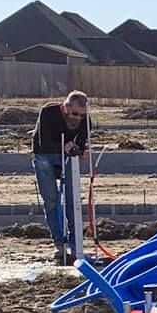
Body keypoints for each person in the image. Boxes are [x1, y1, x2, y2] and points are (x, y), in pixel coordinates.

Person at [31, 92, 92, 262]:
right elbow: (45, 143)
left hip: (68, 158)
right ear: (65, 107)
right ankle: (60, 245)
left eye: (82, 114)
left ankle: (75, 245)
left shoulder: (84, 121)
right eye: (75, 114)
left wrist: (78, 149)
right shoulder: (48, 112)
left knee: (73, 202)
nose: (78, 118)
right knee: (52, 201)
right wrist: (64, 146)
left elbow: (81, 141)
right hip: (44, 156)